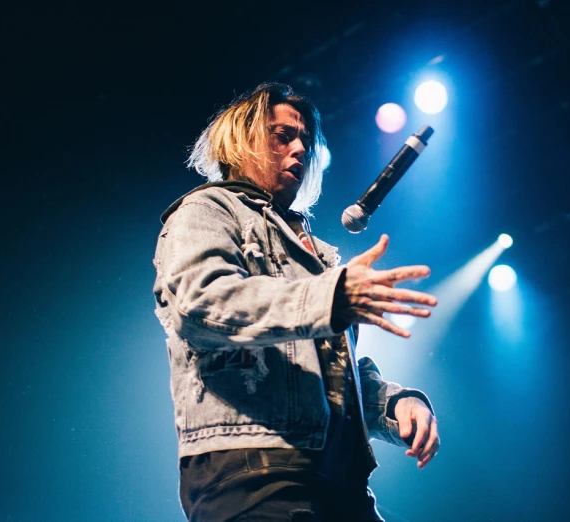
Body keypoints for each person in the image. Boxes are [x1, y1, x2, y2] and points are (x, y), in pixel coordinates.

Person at [152, 82, 440, 521]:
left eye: (305, 139)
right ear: (240, 139)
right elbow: (201, 301)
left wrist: (394, 404)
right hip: (255, 476)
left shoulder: (314, 252)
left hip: (341, 486)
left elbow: (332, 373)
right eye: (282, 135)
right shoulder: (205, 211)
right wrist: (329, 296)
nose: (300, 149)